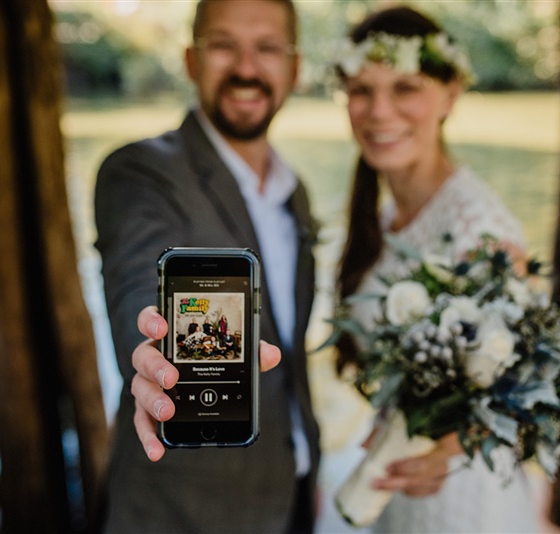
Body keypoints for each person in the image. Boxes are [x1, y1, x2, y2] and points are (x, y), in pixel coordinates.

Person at [94, 1, 320, 532]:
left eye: (267, 47)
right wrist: (155, 352)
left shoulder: (297, 194)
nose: (246, 67)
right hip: (184, 511)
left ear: (295, 67)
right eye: (224, 45)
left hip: (292, 493)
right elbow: (140, 283)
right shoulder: (139, 172)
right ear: (192, 61)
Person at [332, 6, 538, 533]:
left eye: (405, 88)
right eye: (362, 89)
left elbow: (523, 392)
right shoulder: (385, 218)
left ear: (451, 93)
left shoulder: (480, 232)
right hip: (396, 485)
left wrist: (445, 454)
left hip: (460, 500)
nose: (380, 112)